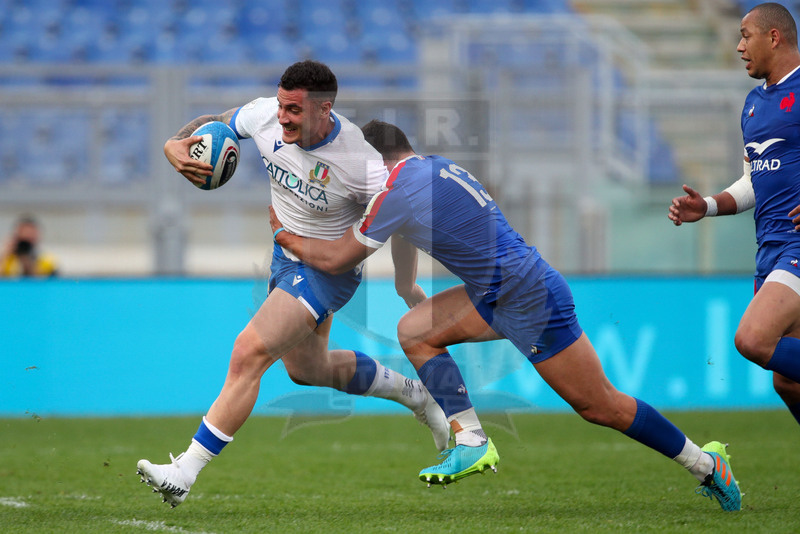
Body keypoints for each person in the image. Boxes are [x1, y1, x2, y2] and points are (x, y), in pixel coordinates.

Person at [269, 119, 742, 511]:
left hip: (529, 295)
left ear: (372, 162)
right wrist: (406, 287)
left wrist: (286, 235)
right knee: (415, 329)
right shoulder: (428, 170)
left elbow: (336, 259)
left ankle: (704, 463)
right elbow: (405, 229)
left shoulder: (396, 191)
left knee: (601, 406)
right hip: (497, 290)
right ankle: (472, 440)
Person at [136, 61, 448, 508]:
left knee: (249, 353)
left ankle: (184, 472)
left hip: (328, 268)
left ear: (325, 111)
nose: (282, 117)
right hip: (285, 257)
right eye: (282, 106)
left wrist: (405, 284)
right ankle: (416, 395)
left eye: (294, 111)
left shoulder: (358, 162)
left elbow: (398, 221)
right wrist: (174, 142)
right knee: (307, 369)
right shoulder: (266, 115)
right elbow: (220, 122)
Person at [669, 3, 800, 430]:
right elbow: (752, 182)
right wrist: (705, 206)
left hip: (797, 246)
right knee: (788, 383)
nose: (740, 46)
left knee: (753, 339)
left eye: (746, 35)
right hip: (771, 247)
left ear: (774, 37)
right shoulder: (753, 105)